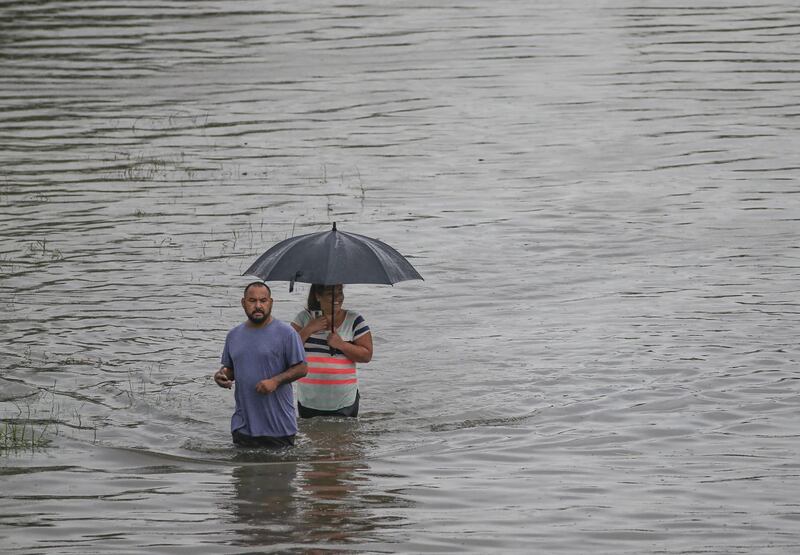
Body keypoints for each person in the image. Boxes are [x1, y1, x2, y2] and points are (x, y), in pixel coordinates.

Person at [214, 281, 307, 447]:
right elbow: (230, 369)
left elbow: (302, 368)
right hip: (242, 428)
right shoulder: (233, 335)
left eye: (263, 301)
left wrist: (275, 381)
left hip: (278, 428)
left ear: (271, 302)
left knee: (280, 472)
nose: (258, 306)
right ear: (243, 303)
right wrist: (221, 376)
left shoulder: (287, 333)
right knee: (243, 472)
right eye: (252, 301)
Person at [290, 284, 373, 418]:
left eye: (340, 292)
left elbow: (366, 355)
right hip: (309, 400)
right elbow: (288, 352)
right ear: (317, 295)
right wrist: (309, 329)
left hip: (345, 402)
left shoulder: (354, 320)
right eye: (330, 293)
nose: (337, 298)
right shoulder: (303, 319)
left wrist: (342, 345)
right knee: (312, 438)